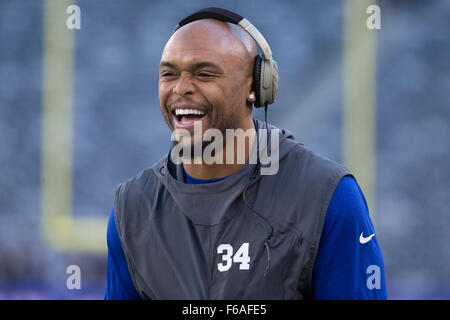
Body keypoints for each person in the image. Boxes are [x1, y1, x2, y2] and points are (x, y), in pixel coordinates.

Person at [104, 7, 387, 300]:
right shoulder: (133, 207)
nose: (181, 88)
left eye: (204, 74)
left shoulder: (328, 196)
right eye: (168, 74)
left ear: (256, 86)